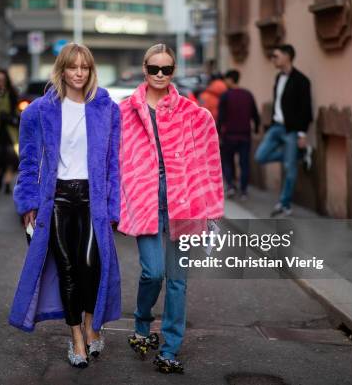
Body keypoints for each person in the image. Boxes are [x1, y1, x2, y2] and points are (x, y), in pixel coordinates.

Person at [8, 43, 121, 369]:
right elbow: (28, 162)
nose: (79, 73)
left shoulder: (106, 109)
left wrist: (113, 206)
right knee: (68, 270)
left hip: (92, 198)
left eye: (85, 67)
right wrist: (28, 201)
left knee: (91, 266)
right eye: (73, 67)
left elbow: (114, 163)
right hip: (55, 199)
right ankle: (76, 338)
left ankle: (90, 325)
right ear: (62, 70)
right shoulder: (38, 112)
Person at [118, 44, 224, 374]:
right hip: (143, 198)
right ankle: (141, 322)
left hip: (185, 200)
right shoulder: (125, 112)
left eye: (166, 69)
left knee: (178, 280)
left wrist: (211, 210)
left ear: (174, 71)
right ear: (144, 69)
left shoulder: (196, 115)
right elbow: (113, 160)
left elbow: (210, 164)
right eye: (154, 69)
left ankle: (170, 348)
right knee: (153, 272)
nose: (160, 75)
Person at [255, 44, 313, 217]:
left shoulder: (302, 80)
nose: (273, 59)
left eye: (276, 55)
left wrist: (302, 134)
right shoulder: (278, 78)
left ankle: (285, 203)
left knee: (289, 167)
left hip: (291, 130)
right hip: (276, 127)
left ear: (287, 56)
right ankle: (299, 154)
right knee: (260, 156)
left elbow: (306, 109)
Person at [218, 69, 260, 199]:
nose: (225, 82)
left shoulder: (225, 96)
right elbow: (255, 115)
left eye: (226, 79)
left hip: (229, 135)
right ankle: (243, 191)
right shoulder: (248, 95)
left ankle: (230, 186)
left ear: (230, 80)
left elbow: (221, 117)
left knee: (227, 161)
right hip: (245, 135)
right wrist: (257, 129)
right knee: (244, 163)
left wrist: (218, 133)